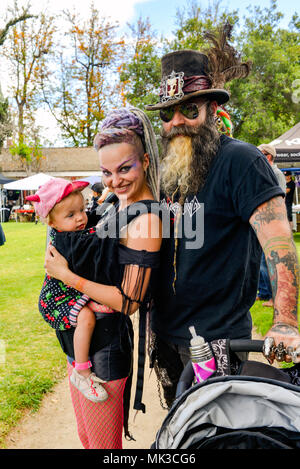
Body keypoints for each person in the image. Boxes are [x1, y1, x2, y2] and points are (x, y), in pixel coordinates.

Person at [145, 26, 300, 408]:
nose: (176, 121)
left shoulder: (242, 162)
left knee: (218, 432)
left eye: (189, 109)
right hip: (166, 333)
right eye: (167, 113)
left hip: (220, 340)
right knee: (180, 426)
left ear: (213, 111)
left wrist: (285, 321)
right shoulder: (166, 169)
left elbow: (279, 246)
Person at [43, 108, 162, 449]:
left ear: (146, 162)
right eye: (106, 172)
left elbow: (129, 302)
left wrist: (66, 276)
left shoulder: (146, 220)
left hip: (104, 353)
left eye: (125, 168)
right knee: (87, 438)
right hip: (81, 347)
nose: (115, 180)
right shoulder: (117, 202)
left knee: (103, 447)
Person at [26, 178, 109, 403]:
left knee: (91, 311)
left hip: (66, 292)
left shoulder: (68, 230)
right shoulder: (67, 241)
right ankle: (82, 372)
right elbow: (95, 247)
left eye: (81, 209)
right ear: (52, 223)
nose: (81, 217)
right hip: (55, 300)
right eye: (71, 215)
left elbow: (92, 223)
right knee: (87, 318)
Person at [256, 144, 286, 308]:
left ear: (268, 156)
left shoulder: (276, 173)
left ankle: (275, 298)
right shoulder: (264, 172)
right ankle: (264, 293)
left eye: (259, 154)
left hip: (272, 223)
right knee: (261, 261)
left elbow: (278, 199)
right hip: (262, 222)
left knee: (271, 262)